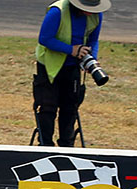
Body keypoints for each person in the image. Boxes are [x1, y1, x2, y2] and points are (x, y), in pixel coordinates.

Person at [32, 0, 110, 147]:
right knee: (48, 107)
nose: (90, 13)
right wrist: (71, 50)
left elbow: (93, 40)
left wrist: (92, 58)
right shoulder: (57, 11)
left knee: (70, 107)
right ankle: (45, 145)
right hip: (50, 66)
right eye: (86, 9)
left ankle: (67, 146)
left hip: (72, 66)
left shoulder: (96, 15)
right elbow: (45, 39)